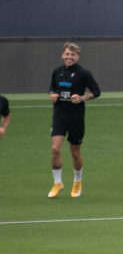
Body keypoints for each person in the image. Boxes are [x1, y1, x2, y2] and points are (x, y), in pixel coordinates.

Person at [48, 43, 100, 199]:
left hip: (76, 118)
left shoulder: (84, 73)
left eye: (73, 55)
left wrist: (82, 98)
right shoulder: (57, 72)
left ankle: (77, 181)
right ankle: (58, 183)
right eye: (67, 54)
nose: (69, 57)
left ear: (77, 57)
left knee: (75, 153)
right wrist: (52, 95)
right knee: (55, 149)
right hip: (59, 116)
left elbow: (96, 91)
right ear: (63, 55)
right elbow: (52, 89)